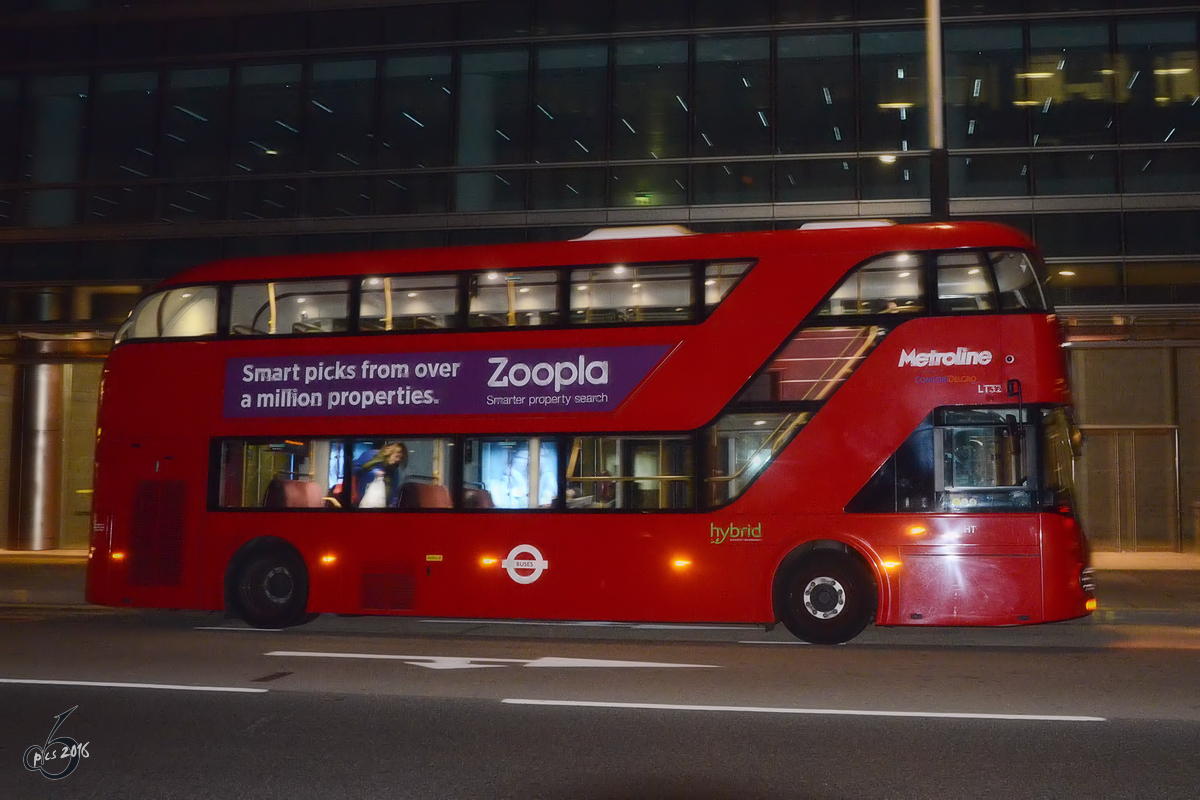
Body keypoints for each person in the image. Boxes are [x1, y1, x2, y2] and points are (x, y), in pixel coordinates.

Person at [354, 442, 408, 508]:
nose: (398, 460)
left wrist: (392, 505)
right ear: (390, 452)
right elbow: (356, 470)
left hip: (382, 504)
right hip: (363, 501)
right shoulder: (370, 456)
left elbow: (394, 488)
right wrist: (374, 472)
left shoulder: (394, 469)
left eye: (400, 458)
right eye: (397, 456)